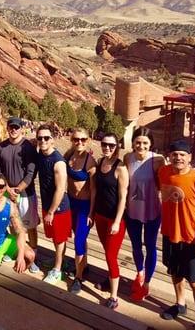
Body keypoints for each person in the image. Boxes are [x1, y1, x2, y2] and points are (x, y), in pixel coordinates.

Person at [158, 139, 195, 330]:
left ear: (189, 157)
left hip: (192, 239)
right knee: (175, 273)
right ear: (169, 156)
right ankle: (180, 304)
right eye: (175, 154)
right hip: (169, 235)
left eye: (182, 155)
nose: (178, 158)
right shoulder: (163, 172)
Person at [123, 128, 166, 301]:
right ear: (133, 143)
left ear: (151, 144)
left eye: (145, 143)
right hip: (132, 209)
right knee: (135, 245)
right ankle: (139, 272)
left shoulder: (157, 160)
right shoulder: (127, 158)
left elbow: (166, 181)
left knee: (150, 246)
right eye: (138, 142)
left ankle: (147, 282)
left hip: (151, 209)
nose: (141, 146)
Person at [0, 117, 40, 273]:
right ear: (7, 128)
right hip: (7, 193)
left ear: (22, 128)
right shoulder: (1, 147)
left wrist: (18, 189)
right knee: (13, 224)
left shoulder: (28, 147)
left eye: (16, 127)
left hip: (26, 194)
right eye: (11, 127)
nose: (13, 130)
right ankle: (15, 249)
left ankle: (33, 256)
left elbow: (31, 173)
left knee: (30, 227)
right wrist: (7, 189)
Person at [91, 133, 128, 309]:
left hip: (115, 219)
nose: (107, 148)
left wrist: (117, 221)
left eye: (111, 145)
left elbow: (123, 197)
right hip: (100, 216)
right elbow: (95, 191)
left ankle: (114, 296)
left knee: (111, 255)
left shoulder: (121, 168)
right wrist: (92, 213)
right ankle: (109, 279)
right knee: (107, 251)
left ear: (117, 147)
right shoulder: (99, 163)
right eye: (104, 144)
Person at [36, 124, 72, 284]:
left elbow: (60, 189)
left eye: (46, 138)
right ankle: (59, 260)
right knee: (54, 237)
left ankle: (57, 269)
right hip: (47, 206)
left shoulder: (58, 162)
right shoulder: (41, 155)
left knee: (59, 239)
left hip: (58, 208)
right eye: (40, 138)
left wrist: (51, 211)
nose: (42, 140)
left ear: (53, 139)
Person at [64, 128, 96, 294]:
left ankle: (78, 277)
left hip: (85, 206)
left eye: (83, 140)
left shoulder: (90, 162)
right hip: (71, 203)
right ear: (72, 140)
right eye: (76, 139)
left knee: (78, 241)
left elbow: (94, 190)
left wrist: (91, 212)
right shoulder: (69, 155)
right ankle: (85, 265)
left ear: (88, 140)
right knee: (78, 237)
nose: (80, 143)